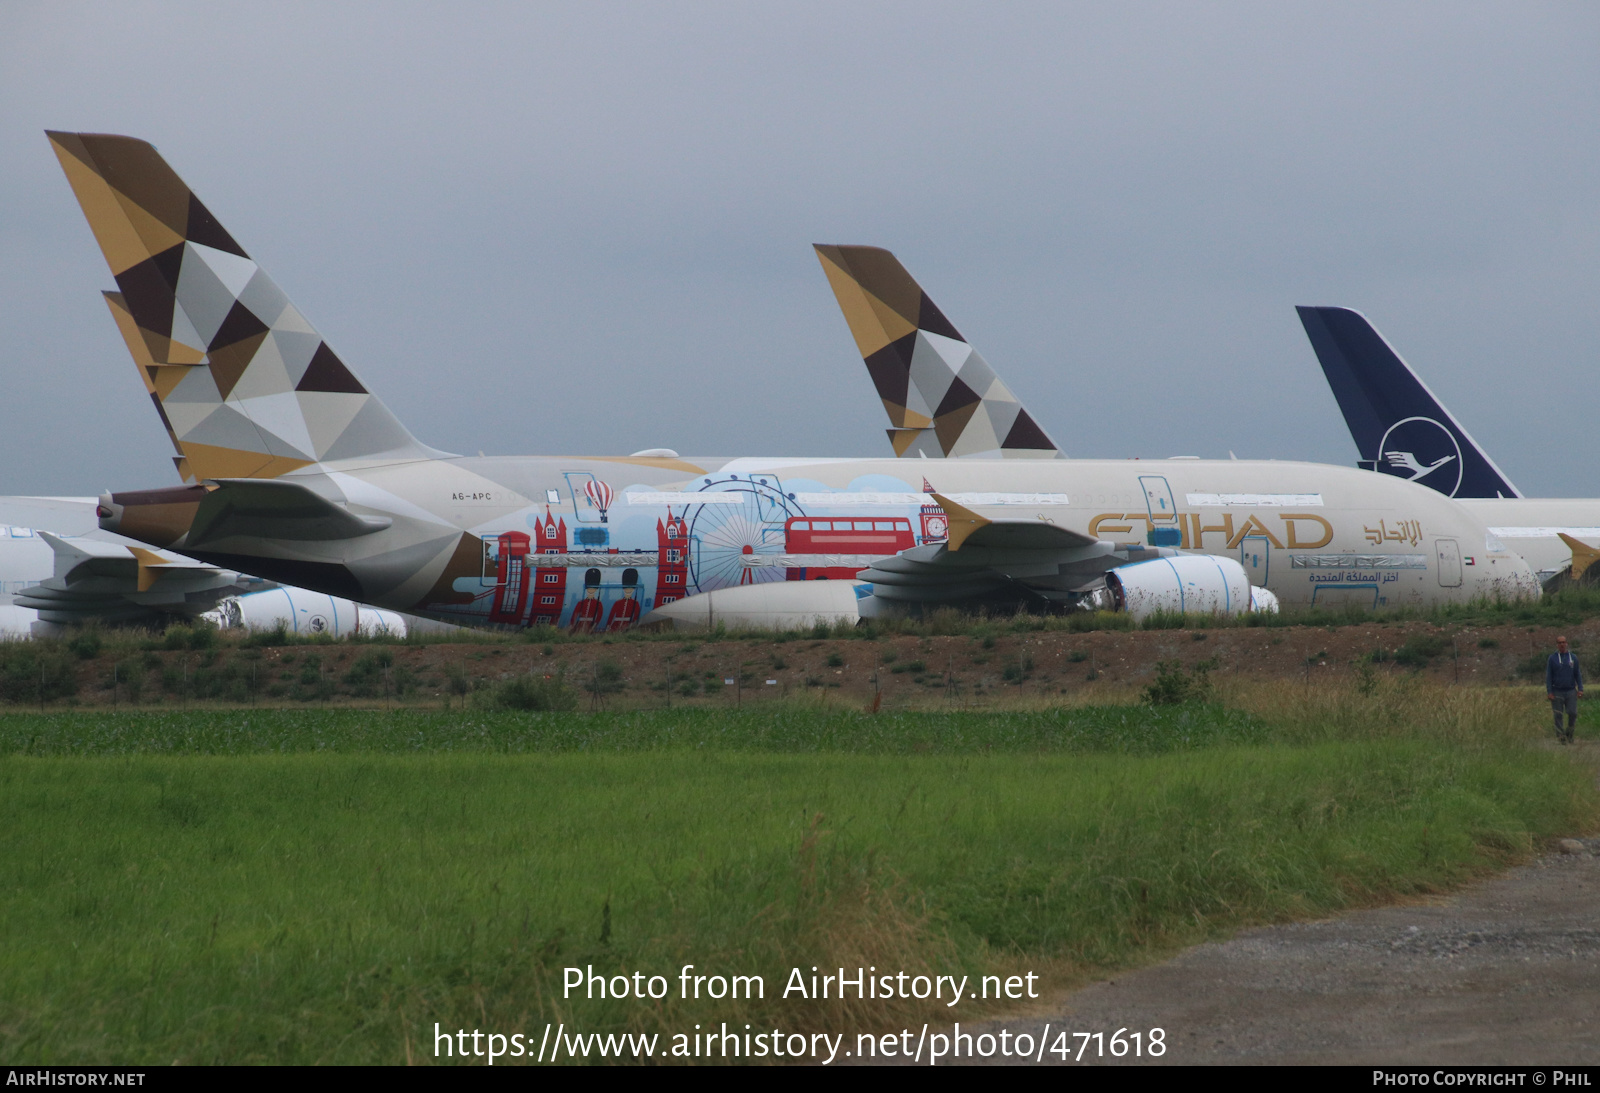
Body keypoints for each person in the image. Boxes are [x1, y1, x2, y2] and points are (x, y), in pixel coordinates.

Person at [1546, 635, 1584, 744]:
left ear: (1566, 643)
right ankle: (1561, 736)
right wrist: (1549, 692)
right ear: (1557, 645)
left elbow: (1577, 674)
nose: (1562, 644)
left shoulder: (1573, 658)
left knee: (1573, 713)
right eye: (1559, 642)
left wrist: (1580, 688)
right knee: (1558, 714)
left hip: (1571, 690)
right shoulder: (1552, 658)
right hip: (1557, 690)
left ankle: (1570, 733)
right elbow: (1549, 676)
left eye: (1563, 642)